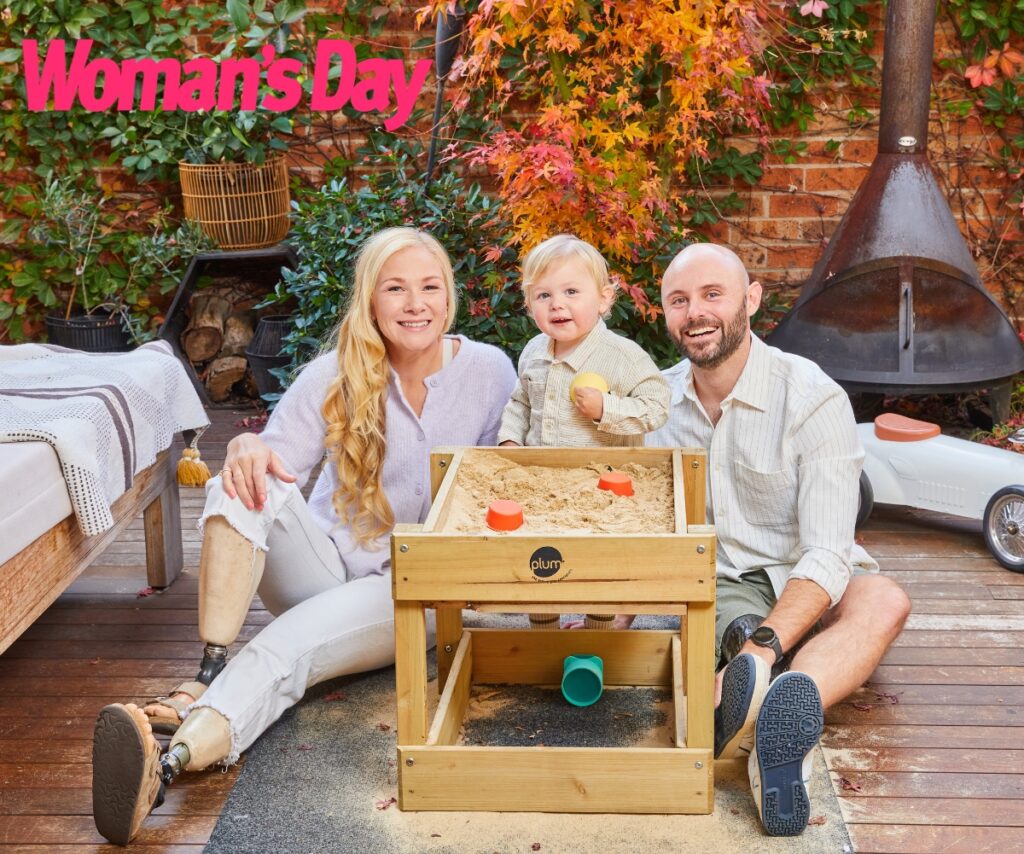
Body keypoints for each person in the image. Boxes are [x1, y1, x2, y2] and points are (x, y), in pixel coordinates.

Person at [90, 227, 517, 846]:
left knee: (287, 648)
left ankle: (174, 761)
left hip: (412, 589)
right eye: (395, 289)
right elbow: (273, 460)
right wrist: (242, 444)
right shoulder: (336, 373)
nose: (415, 303)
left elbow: (502, 486)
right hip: (318, 565)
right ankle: (209, 668)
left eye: (429, 287)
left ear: (449, 299)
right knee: (236, 485)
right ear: (372, 301)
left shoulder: (489, 372)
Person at [646, 243, 911, 837]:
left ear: (752, 299)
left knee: (885, 599)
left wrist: (763, 648)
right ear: (664, 314)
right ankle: (764, 688)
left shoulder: (811, 397)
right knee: (717, 604)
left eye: (713, 294)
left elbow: (827, 551)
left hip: (802, 577)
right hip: (717, 586)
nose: (696, 313)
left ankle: (778, 706)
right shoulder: (651, 406)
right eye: (679, 301)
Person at [497, 234, 670, 630]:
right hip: (542, 481)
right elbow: (520, 403)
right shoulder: (534, 352)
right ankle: (542, 632)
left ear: (605, 299)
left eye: (572, 291)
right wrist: (510, 439)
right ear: (529, 305)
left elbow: (657, 405)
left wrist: (606, 409)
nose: (557, 304)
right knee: (539, 557)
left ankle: (598, 630)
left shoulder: (622, 356)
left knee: (601, 562)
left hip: (604, 487)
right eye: (543, 296)